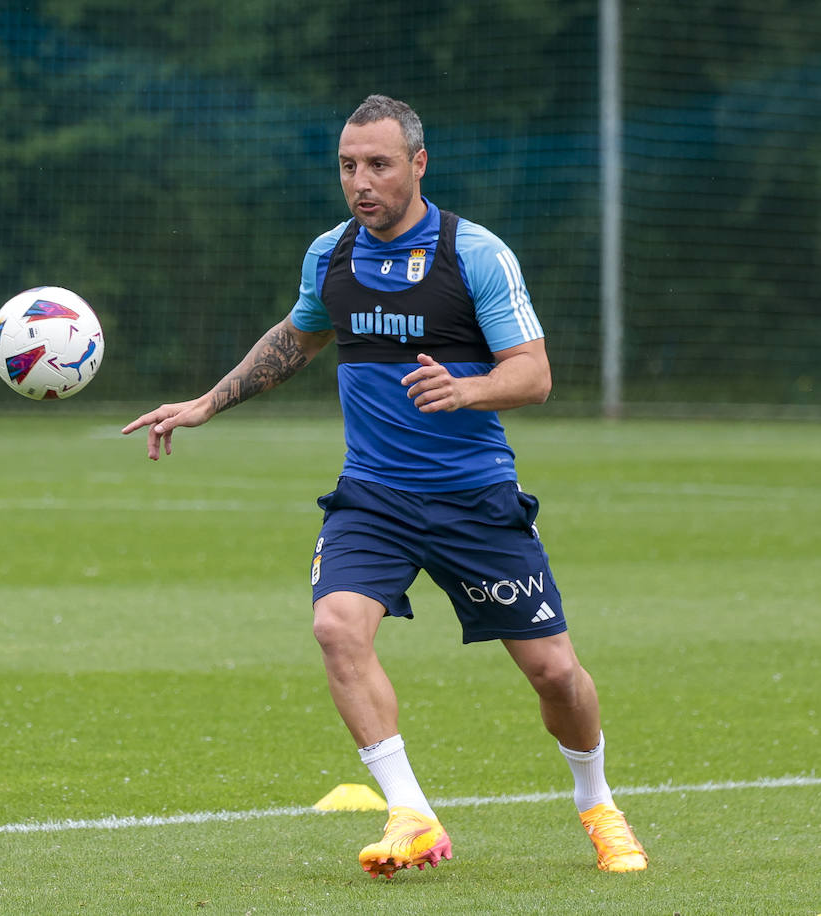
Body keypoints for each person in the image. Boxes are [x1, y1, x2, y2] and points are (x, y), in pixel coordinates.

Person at [122, 95, 647, 878]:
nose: (360, 182)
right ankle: (411, 815)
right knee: (336, 627)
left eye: (378, 165)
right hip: (374, 497)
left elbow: (534, 375)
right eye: (347, 166)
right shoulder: (331, 254)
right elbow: (298, 335)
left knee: (555, 674)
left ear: (418, 164)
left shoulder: (474, 254)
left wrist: (471, 390)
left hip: (474, 497)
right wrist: (207, 402)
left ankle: (598, 803)